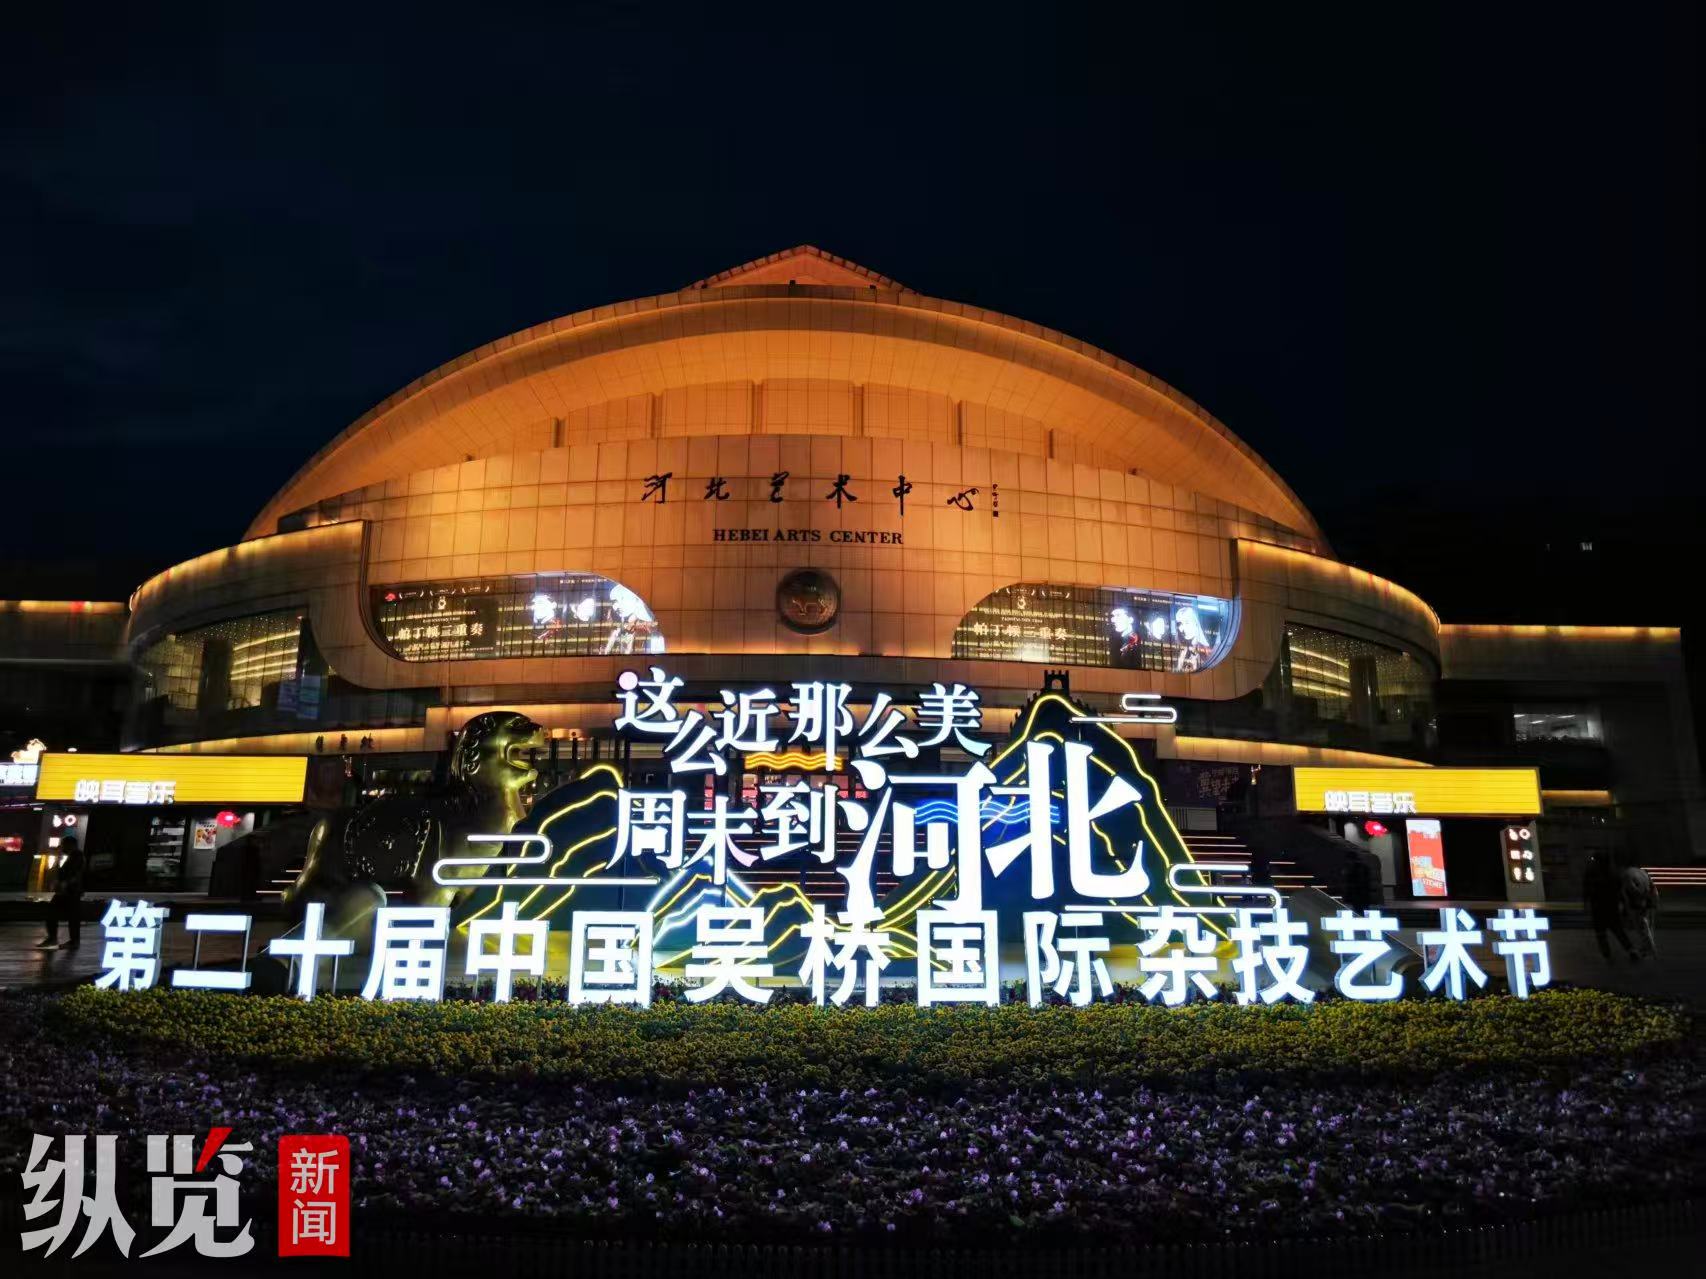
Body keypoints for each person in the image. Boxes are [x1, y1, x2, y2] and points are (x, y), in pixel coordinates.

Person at [1581, 850, 1637, 962]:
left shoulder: (1591, 874)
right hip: (1611, 907)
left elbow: (1586, 890)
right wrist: (1623, 905)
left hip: (1598, 907)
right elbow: (1619, 891)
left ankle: (1607, 955)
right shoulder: (1612, 874)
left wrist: (1586, 904)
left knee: (1601, 933)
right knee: (1618, 931)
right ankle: (1630, 950)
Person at [38, 836, 86, 951]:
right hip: (69, 891)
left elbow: (76, 874)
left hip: (69, 892)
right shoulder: (74, 856)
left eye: (64, 845)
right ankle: (68, 940)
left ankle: (58, 939)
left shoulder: (77, 856)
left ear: (70, 845)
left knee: (57, 913)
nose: (62, 847)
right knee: (70, 916)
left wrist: (65, 884)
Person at [1620, 851, 1659, 959]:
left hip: (1638, 904)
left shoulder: (1627, 874)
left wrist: (1639, 900)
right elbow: (1652, 887)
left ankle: (1651, 950)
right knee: (1648, 927)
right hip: (1649, 902)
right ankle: (1647, 949)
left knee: (1641, 929)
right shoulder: (1643, 872)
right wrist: (1652, 900)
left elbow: (1633, 889)